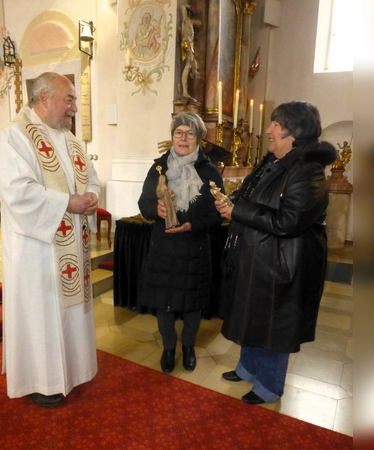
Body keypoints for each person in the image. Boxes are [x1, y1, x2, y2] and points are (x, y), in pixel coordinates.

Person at [215, 101, 337, 404]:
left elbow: (289, 221)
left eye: (276, 126)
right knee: (251, 317)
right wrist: (232, 202)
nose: (268, 130)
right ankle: (247, 368)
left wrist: (237, 211)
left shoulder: (308, 171)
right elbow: (255, 198)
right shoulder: (276, 161)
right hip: (259, 257)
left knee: (272, 326)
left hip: (282, 265)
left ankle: (269, 385)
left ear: (293, 133)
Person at [0, 72, 100, 408]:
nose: (73, 107)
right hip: (36, 250)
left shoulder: (69, 139)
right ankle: (41, 380)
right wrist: (68, 203)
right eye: (68, 98)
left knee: (67, 314)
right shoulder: (14, 137)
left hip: (68, 246)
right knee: (42, 316)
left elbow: (91, 177)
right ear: (44, 97)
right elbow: (18, 192)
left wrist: (92, 196)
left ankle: (73, 370)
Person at [138, 112, 224, 373]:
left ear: (198, 138)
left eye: (189, 133)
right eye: (178, 132)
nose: (183, 138)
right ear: (172, 136)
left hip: (194, 247)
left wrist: (192, 225)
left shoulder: (209, 171)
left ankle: (188, 347)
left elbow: (217, 214)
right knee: (163, 300)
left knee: (192, 302)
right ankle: (168, 347)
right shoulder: (158, 168)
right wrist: (158, 209)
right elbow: (144, 203)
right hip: (163, 246)